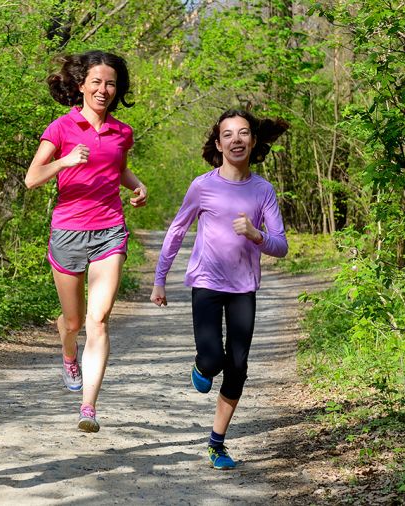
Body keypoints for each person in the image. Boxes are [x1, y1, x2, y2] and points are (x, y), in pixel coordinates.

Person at [150, 109, 289, 470]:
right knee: (213, 360)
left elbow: (281, 245)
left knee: (238, 367)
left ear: (254, 142)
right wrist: (159, 279)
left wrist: (257, 235)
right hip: (208, 284)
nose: (237, 140)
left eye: (243, 133)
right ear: (218, 143)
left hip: (244, 288)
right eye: (228, 134)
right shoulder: (203, 186)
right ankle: (201, 365)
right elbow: (177, 231)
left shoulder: (263, 190)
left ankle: (217, 444)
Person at [25, 50, 147, 433]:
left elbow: (119, 168)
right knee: (74, 320)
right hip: (68, 230)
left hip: (110, 229)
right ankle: (67, 354)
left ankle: (88, 406)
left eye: (110, 83)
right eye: (96, 81)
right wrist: (63, 162)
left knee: (98, 320)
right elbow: (32, 178)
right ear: (81, 85)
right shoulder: (61, 128)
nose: (103, 89)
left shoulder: (122, 132)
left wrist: (137, 185)